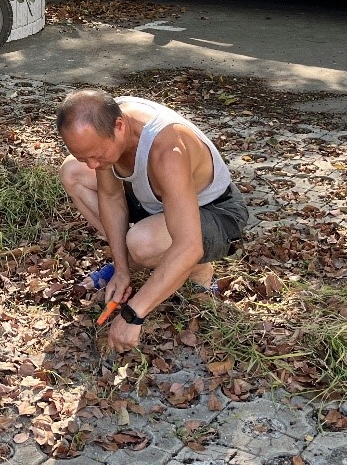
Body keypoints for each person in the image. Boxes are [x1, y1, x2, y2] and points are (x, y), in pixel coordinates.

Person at [57, 89, 249, 353]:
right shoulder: (106, 122)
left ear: (120, 126)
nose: (92, 164)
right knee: (72, 172)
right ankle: (136, 262)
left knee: (142, 243)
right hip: (153, 200)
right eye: (84, 156)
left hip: (215, 211)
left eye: (97, 155)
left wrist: (134, 314)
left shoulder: (166, 147)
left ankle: (199, 271)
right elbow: (111, 196)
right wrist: (122, 269)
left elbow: (189, 244)